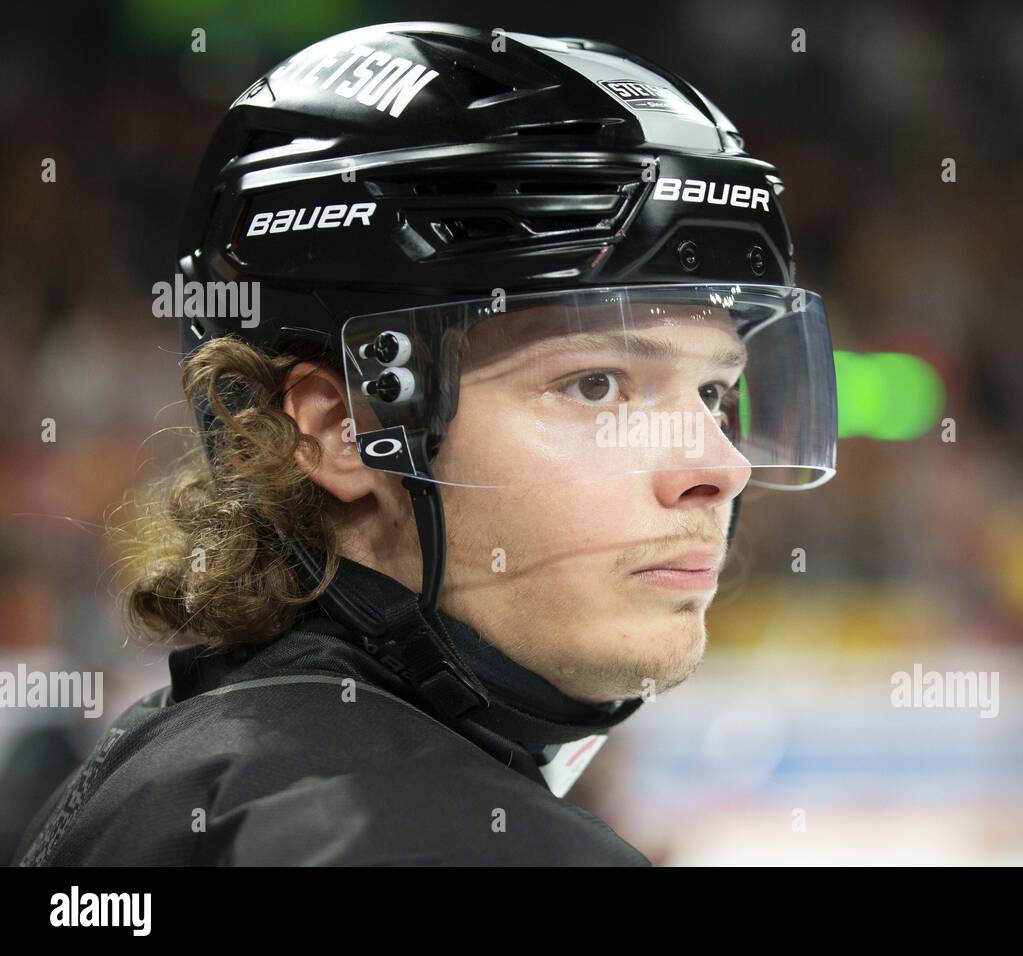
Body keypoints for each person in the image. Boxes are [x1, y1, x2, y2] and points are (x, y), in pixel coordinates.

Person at [13, 21, 838, 866]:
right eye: (595, 384)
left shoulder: (189, 761)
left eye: (714, 393)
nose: (720, 467)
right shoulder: (435, 839)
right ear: (342, 431)